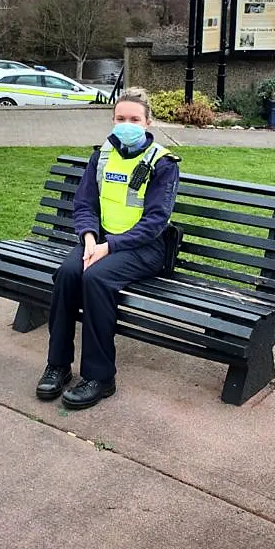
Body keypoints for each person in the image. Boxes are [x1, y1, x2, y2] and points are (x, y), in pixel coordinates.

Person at [35, 87, 181, 409]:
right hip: (100, 241)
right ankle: (58, 365)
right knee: (68, 274)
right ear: (112, 120)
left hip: (145, 248)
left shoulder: (163, 163)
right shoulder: (101, 155)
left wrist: (109, 246)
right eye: (120, 118)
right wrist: (89, 237)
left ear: (148, 122)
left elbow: (156, 222)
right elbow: (85, 203)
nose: (126, 124)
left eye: (134, 119)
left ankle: (100, 378)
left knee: (96, 279)